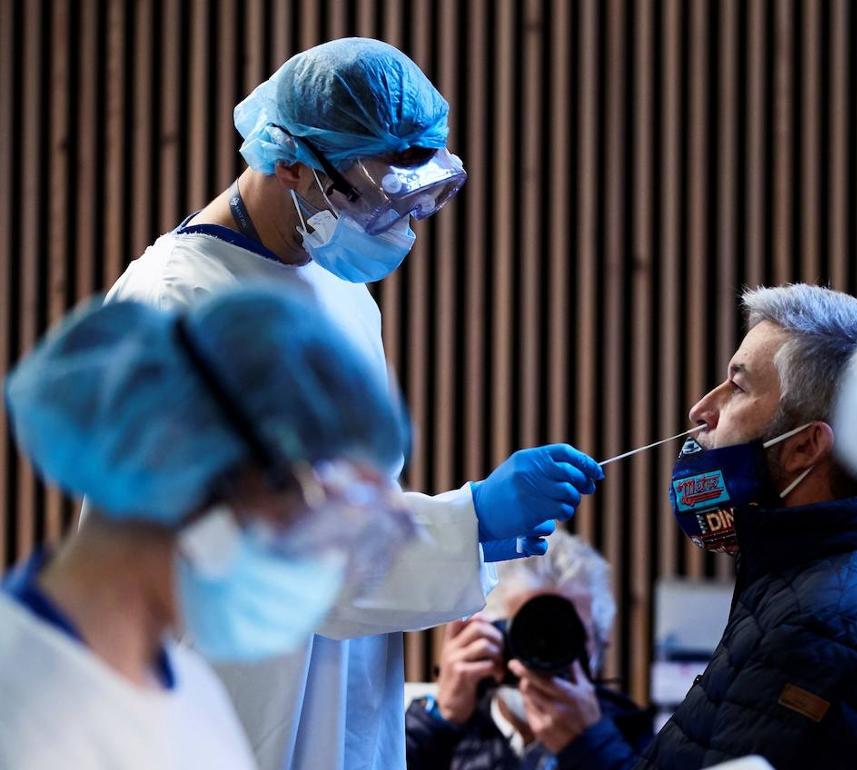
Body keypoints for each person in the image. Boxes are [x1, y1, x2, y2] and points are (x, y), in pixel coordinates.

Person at [101, 38, 603, 770]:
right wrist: (468, 519)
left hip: (340, 703)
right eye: (373, 194)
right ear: (291, 162)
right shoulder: (176, 309)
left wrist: (472, 540)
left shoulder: (338, 289)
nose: (398, 224)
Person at [554, 284, 857, 768]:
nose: (701, 410)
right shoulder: (815, 591)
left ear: (804, 447)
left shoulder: (822, 623)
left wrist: (587, 745)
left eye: (738, 386)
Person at [0, 287, 421, 769]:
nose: (320, 562)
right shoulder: (18, 706)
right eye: (305, 512)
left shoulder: (188, 692)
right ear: (202, 473)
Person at [404, 530, 653, 769]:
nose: (547, 649)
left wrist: (594, 749)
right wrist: (439, 720)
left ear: (600, 644)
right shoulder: (450, 725)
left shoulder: (635, 736)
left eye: (565, 634)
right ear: (491, 633)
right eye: (530, 632)